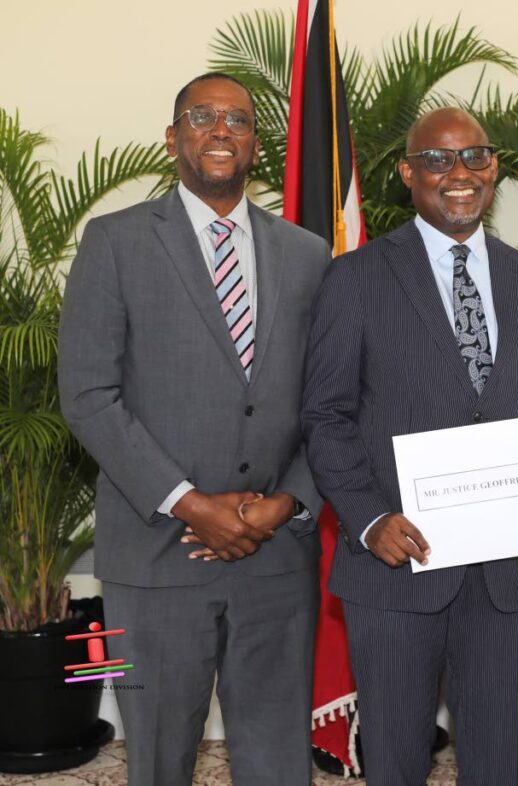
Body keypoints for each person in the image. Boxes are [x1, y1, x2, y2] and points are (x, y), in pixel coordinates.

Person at [58, 72, 329, 785]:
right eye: (201, 117)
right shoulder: (113, 242)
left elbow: (331, 403)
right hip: (152, 561)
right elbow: (88, 395)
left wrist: (286, 503)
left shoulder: (308, 255)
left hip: (275, 559)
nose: (220, 130)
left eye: (236, 120)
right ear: (173, 136)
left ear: (255, 146)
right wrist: (191, 503)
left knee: (278, 763)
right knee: (156, 759)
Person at [301, 107, 518, 785]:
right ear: (407, 173)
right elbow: (325, 416)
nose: (459, 175)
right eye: (438, 160)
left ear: (495, 169)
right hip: (395, 568)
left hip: (507, 577)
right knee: (394, 762)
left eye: (475, 157)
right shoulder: (356, 278)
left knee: (496, 764)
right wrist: (367, 521)